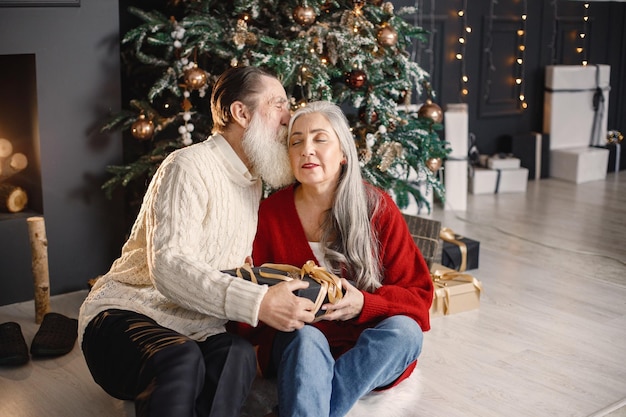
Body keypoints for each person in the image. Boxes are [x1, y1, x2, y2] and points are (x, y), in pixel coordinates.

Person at [78, 66, 319, 417]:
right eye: (278, 104)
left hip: (196, 327)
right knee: (181, 357)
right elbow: (169, 266)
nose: (289, 116)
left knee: (236, 357)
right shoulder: (188, 165)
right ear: (241, 113)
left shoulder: (252, 181)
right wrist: (259, 301)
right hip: (123, 319)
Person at [246, 101, 434, 417]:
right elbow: (251, 286)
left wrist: (365, 304)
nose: (307, 149)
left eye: (320, 139)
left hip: (366, 352)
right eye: (296, 141)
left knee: (406, 332)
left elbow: (418, 297)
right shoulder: (270, 214)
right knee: (307, 339)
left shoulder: (378, 208)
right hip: (299, 345)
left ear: (343, 153)